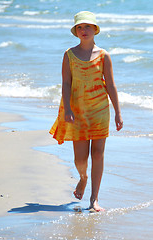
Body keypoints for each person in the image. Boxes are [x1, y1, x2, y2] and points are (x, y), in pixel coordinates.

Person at [49, 11, 123, 212]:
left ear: (95, 29)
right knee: (80, 158)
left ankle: (94, 200)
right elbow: (65, 83)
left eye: (88, 26)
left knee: (98, 155)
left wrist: (117, 112)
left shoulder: (104, 56)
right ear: (75, 31)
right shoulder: (69, 55)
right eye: (80, 27)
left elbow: (111, 86)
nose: (84, 30)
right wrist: (68, 109)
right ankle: (83, 178)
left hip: (99, 110)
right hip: (77, 112)